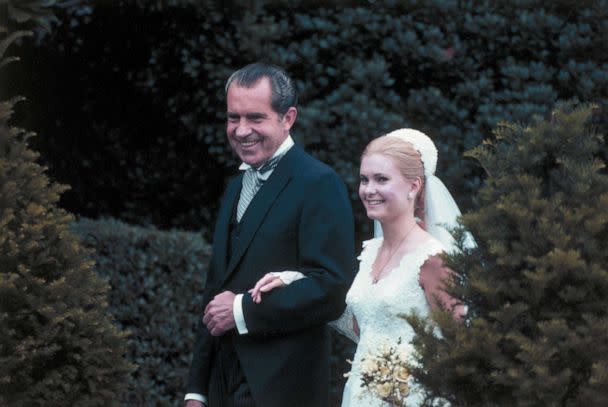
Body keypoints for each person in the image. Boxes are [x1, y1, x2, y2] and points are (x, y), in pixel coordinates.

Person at [251, 128, 472, 406]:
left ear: (414, 186)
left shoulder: (432, 259)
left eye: (382, 179)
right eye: (364, 179)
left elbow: (461, 349)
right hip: (360, 394)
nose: (369, 190)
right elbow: (364, 328)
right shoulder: (370, 253)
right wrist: (297, 281)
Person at [183, 62, 355, 407]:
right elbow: (215, 290)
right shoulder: (235, 189)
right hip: (222, 386)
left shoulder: (319, 183)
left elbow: (331, 287)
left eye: (255, 118)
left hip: (281, 388)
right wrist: (196, 390)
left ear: (288, 118)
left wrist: (244, 309)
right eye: (234, 118)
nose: (241, 130)